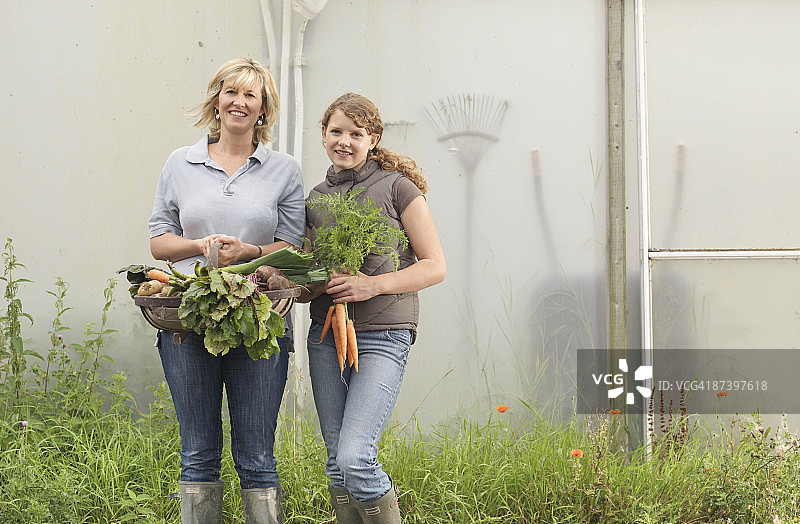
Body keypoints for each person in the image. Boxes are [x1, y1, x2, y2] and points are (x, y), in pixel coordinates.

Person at [148, 57, 305, 524]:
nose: (239, 102)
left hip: (262, 321)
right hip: (190, 318)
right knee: (198, 450)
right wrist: (199, 245)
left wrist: (249, 252)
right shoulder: (181, 162)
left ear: (263, 109)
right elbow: (159, 241)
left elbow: (293, 246)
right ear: (216, 100)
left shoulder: (284, 169)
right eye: (230, 92)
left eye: (250, 95)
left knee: (257, 455)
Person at [302, 93, 446, 523]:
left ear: (373, 138)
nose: (344, 141)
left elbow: (435, 266)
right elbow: (310, 275)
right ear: (323, 135)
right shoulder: (316, 196)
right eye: (336, 132)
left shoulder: (399, 188)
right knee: (335, 463)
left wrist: (371, 286)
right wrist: (305, 279)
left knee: (354, 457)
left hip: (384, 335)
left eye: (356, 134)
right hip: (328, 336)